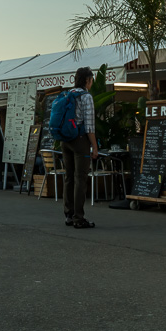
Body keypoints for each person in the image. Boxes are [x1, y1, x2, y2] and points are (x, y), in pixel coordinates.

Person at [62, 66, 100, 229]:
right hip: (80, 140)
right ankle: (79, 218)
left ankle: (69, 215)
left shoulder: (68, 94)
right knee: (80, 179)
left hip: (65, 140)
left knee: (69, 177)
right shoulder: (86, 97)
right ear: (87, 80)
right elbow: (89, 126)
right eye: (91, 80)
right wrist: (94, 147)